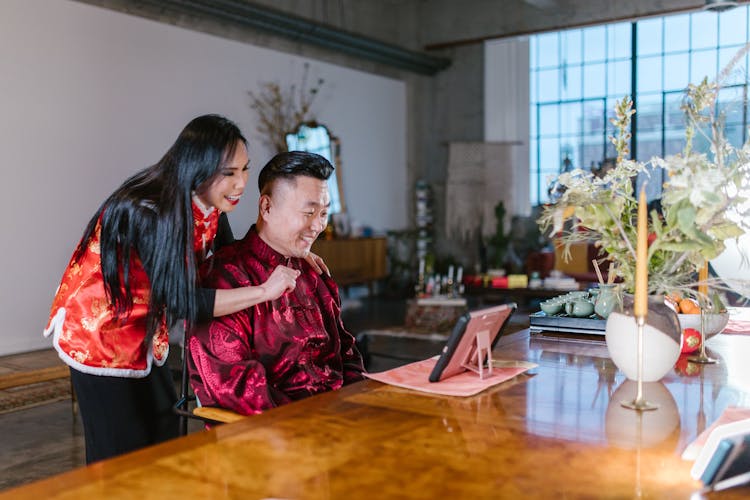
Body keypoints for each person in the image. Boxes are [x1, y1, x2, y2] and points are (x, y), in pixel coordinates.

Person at [43, 115, 328, 463]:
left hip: (145, 327)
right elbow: (184, 302)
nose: (241, 184)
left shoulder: (210, 205)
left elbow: (228, 259)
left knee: (163, 434)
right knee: (118, 451)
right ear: (199, 167)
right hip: (100, 331)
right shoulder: (148, 212)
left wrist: (294, 247)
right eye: (229, 173)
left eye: (244, 170)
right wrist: (265, 291)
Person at [188, 151, 365, 416]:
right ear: (266, 207)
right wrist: (317, 422)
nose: (318, 225)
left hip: (340, 418)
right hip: (276, 434)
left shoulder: (313, 272)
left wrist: (361, 406)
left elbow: (348, 356)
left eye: (324, 213)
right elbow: (236, 389)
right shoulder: (224, 280)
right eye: (308, 212)